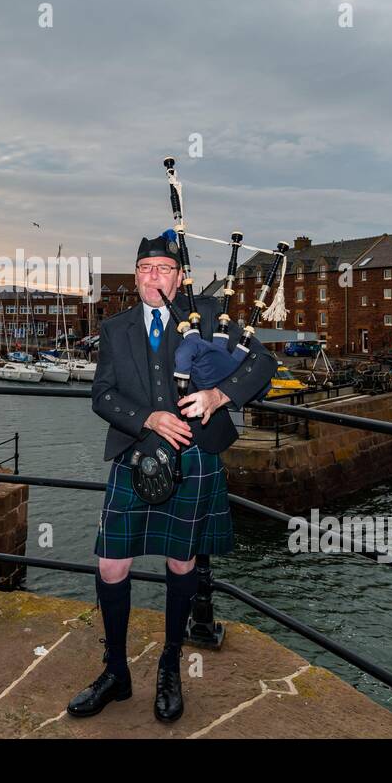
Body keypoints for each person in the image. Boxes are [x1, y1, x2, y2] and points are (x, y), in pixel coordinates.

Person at [66, 231, 277, 722]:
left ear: (180, 276)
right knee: (111, 566)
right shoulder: (116, 328)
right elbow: (101, 395)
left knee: (182, 565)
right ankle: (116, 671)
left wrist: (218, 396)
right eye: (144, 269)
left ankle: (170, 666)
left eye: (162, 268)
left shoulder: (208, 315)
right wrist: (147, 418)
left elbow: (262, 364)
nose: (151, 277)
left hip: (195, 456)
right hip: (136, 455)